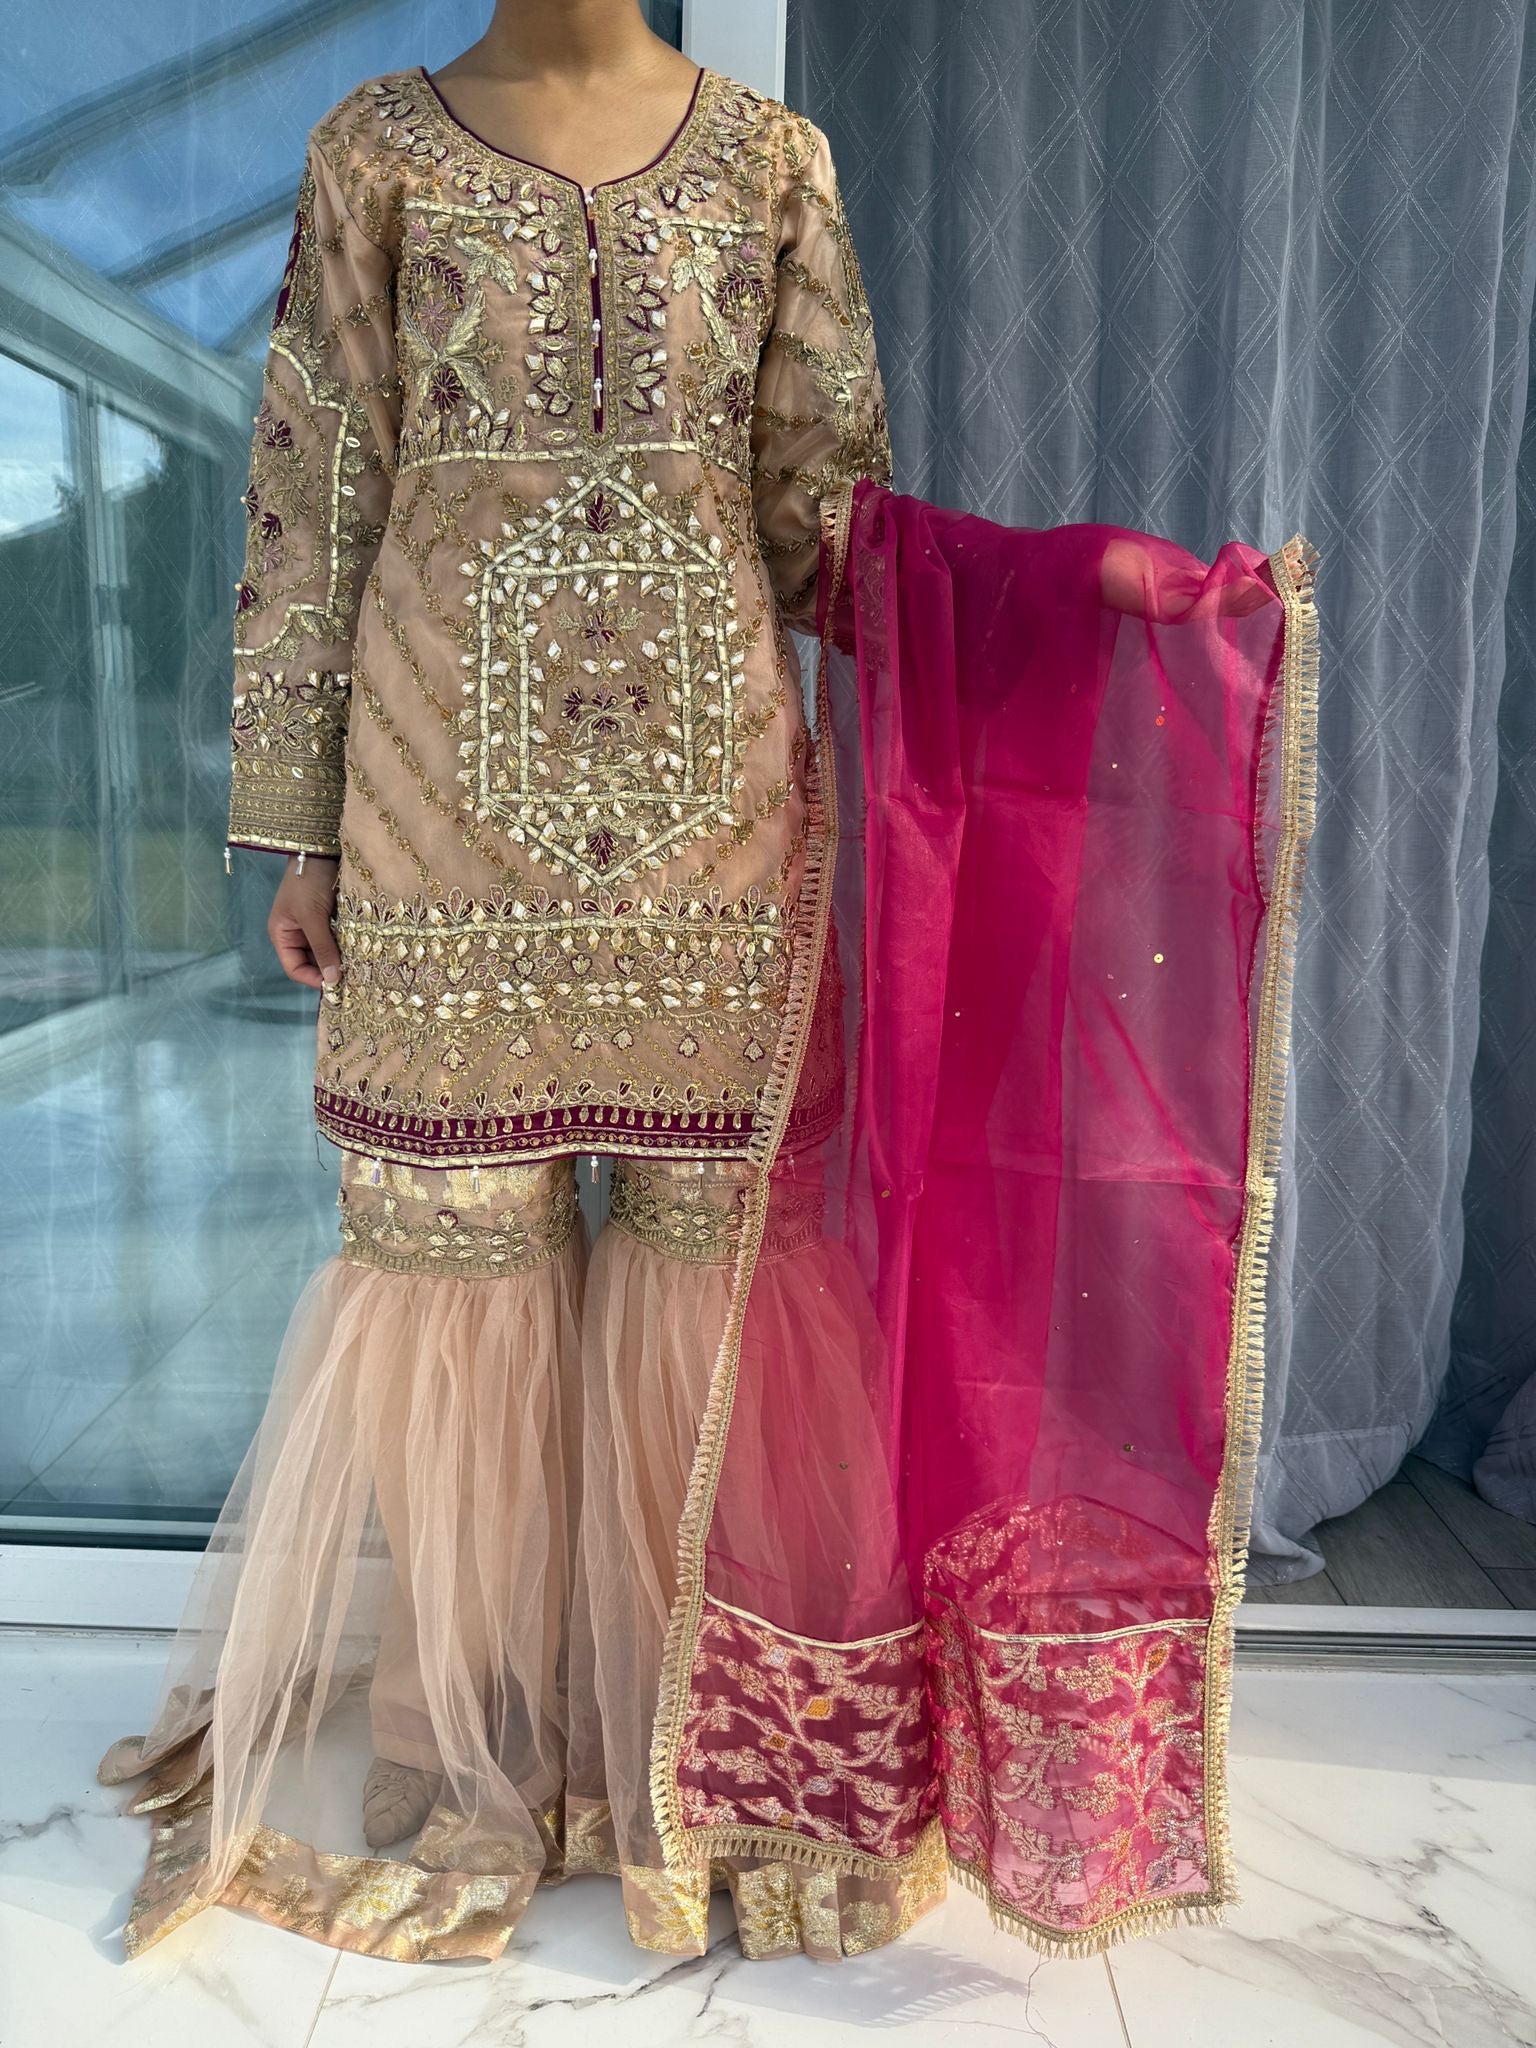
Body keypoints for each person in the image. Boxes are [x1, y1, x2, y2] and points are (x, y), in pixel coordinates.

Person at [99, 0, 1319, 1971]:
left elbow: (832, 528)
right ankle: (479, 1750)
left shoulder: (770, 163)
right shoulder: (374, 152)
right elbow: (314, 497)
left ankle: (716, 1759)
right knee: (452, 1271)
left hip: (716, 825)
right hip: (431, 807)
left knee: (721, 1271)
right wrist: (298, 828)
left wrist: (1064, 588)